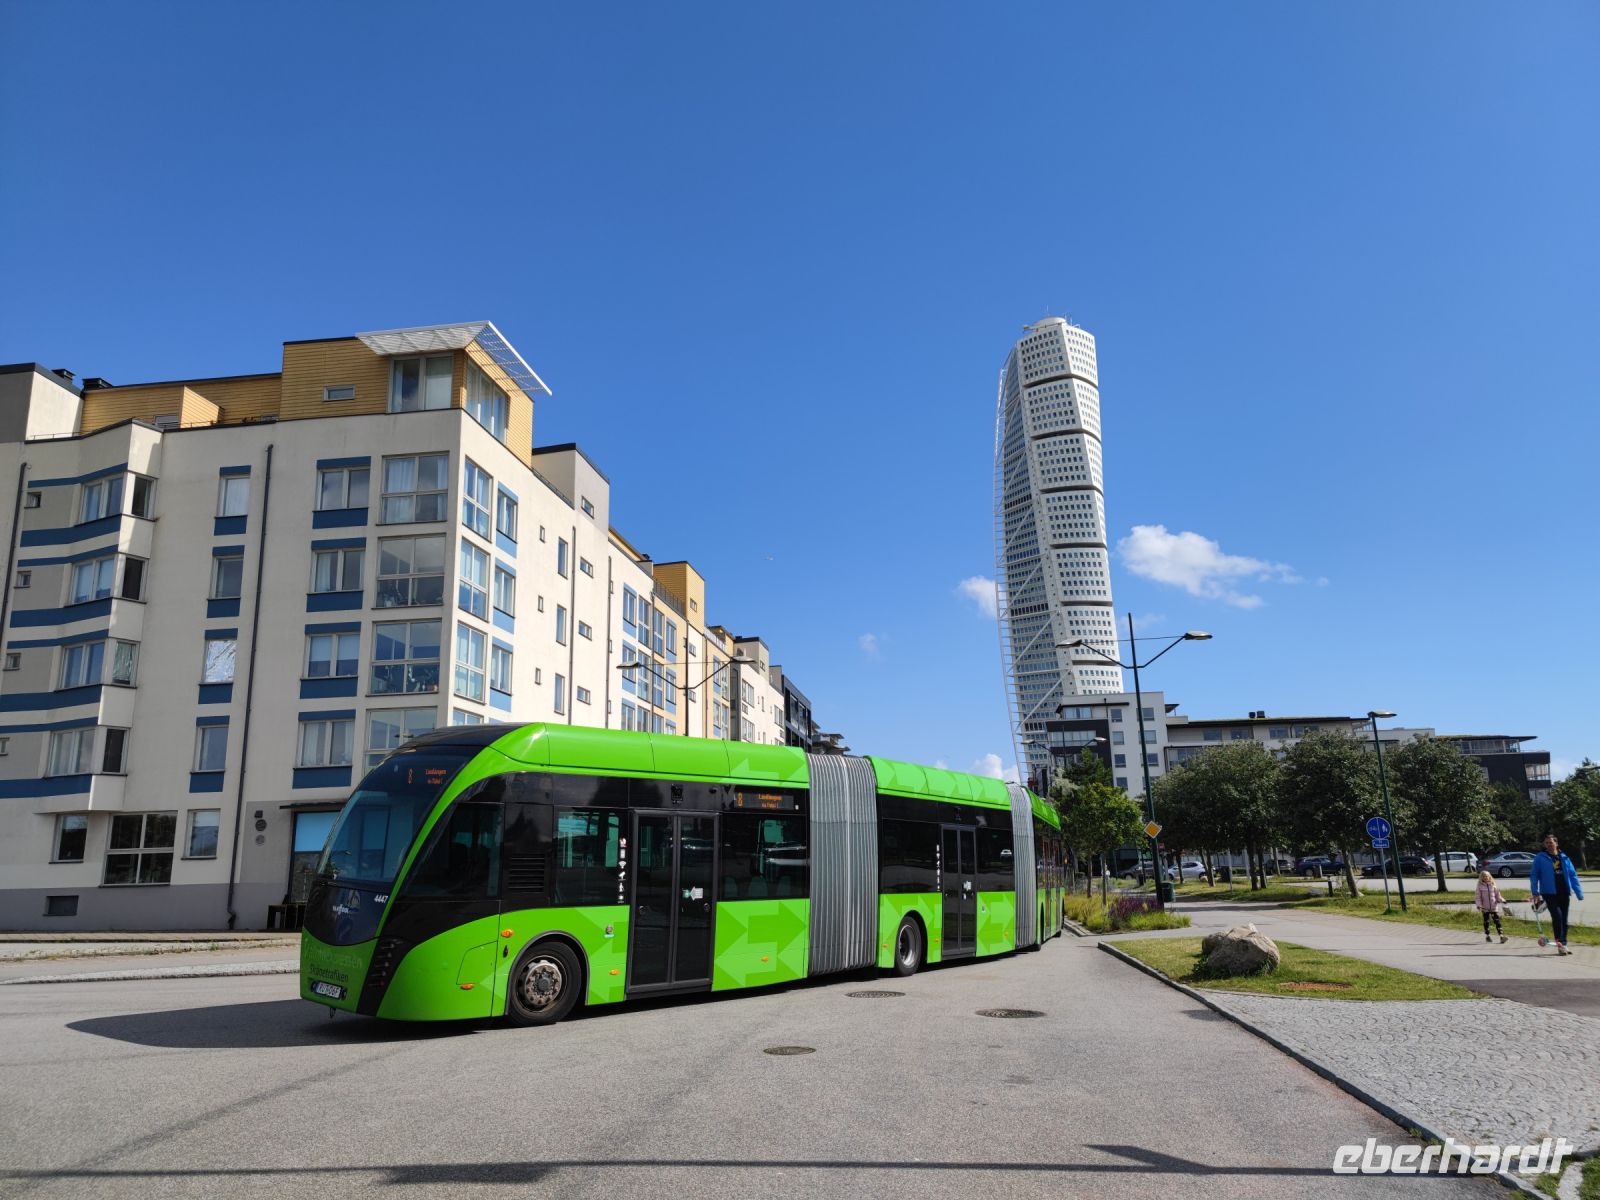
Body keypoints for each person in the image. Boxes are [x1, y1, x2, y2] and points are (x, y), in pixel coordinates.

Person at [1529, 833, 1584, 956]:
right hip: (1549, 893)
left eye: (1551, 842)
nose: (1549, 844)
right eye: (1546, 843)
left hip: (1564, 892)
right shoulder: (1540, 858)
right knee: (1557, 917)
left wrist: (1579, 892)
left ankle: (1564, 943)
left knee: (1564, 919)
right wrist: (1535, 892)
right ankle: (1560, 945)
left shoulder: (1564, 857)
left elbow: (1573, 875)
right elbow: (1534, 875)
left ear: (1556, 843)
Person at [1475, 871, 1508, 943]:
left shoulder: (1493, 885)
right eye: (1484, 876)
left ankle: (1501, 936)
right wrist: (1479, 905)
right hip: (1485, 908)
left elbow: (1498, 896)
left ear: (1489, 877)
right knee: (1486, 922)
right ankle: (1488, 936)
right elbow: (1478, 898)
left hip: (1494, 907)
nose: (1485, 878)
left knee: (1497, 921)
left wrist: (1503, 900)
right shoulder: (1480, 887)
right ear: (1481, 878)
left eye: (1487, 876)